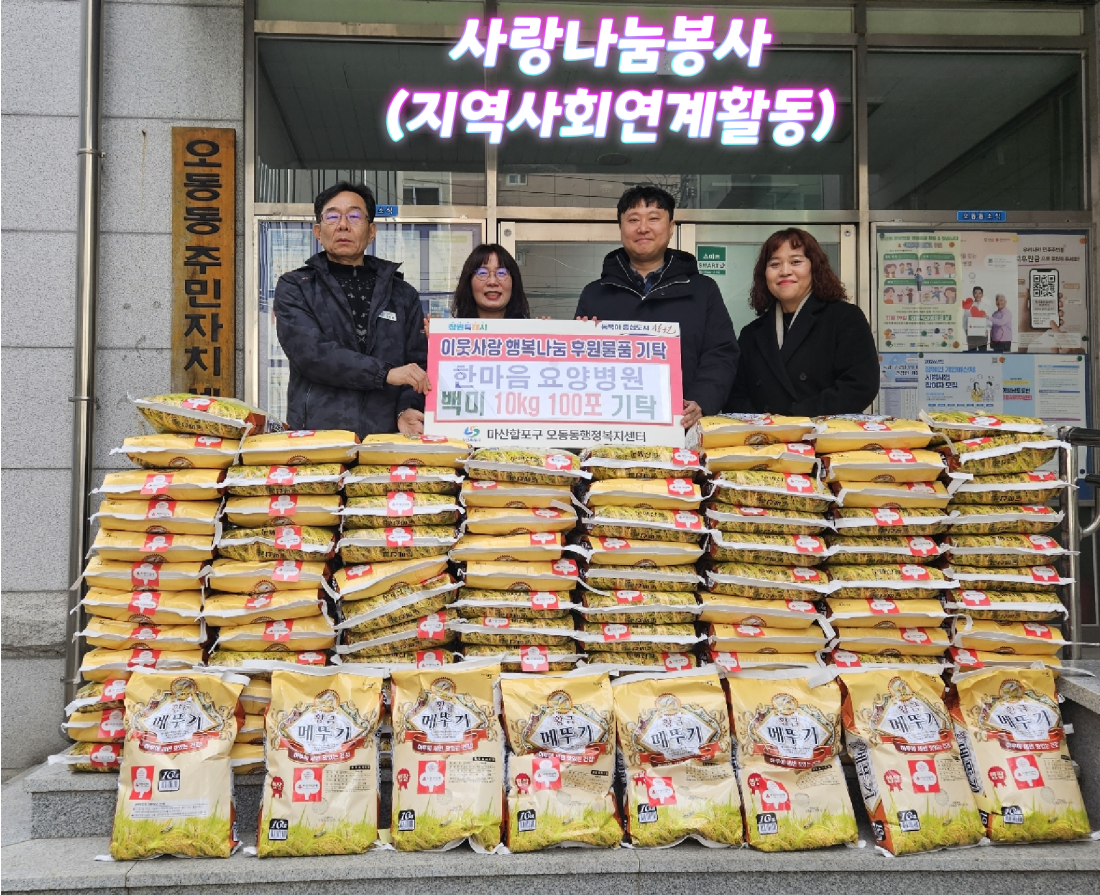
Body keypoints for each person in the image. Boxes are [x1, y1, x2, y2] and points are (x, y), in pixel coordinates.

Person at [573, 185, 738, 430]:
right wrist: (580, 340)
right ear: (621, 228)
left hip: (683, 429)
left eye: (653, 218)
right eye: (633, 219)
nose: (643, 228)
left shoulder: (703, 289)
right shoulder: (595, 293)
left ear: (671, 227)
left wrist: (701, 401)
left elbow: (721, 354)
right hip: (613, 429)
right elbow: (577, 368)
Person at [274, 181, 430, 436]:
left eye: (354, 216)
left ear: (371, 231)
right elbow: (311, 353)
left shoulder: (402, 294)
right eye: (332, 216)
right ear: (318, 231)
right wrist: (385, 373)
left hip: (387, 439)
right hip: (317, 438)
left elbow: (418, 364)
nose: (343, 225)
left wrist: (408, 408)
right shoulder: (296, 286)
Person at [724, 228, 879, 416]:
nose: (785, 271)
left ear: (815, 267)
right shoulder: (751, 333)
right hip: (764, 434)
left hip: (823, 432)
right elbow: (735, 395)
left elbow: (860, 385)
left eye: (796, 262)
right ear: (764, 274)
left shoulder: (845, 318)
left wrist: (795, 420)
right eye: (774, 264)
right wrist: (762, 424)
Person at [450, 244, 531, 319]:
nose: (492, 282)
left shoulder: (530, 329)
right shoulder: (450, 329)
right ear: (469, 282)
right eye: (482, 273)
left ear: (514, 281)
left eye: (501, 273)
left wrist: (537, 327)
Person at [964, 287, 989, 352]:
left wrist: (987, 330)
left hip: (983, 335)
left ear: (982, 295)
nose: (978, 295)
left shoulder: (986, 307)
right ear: (973, 294)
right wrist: (966, 330)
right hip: (971, 335)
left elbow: (989, 321)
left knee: (983, 354)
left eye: (979, 293)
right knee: (972, 354)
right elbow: (964, 320)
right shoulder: (969, 306)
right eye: (976, 293)